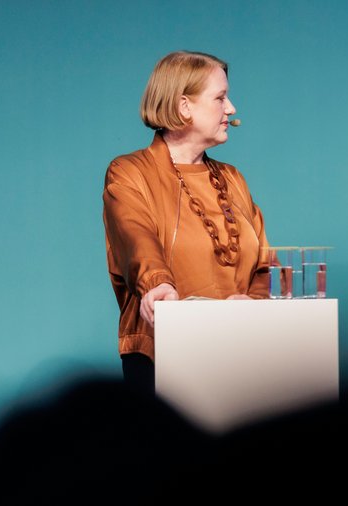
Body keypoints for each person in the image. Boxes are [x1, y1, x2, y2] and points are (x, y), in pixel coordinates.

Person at [102, 51, 269, 391]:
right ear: (183, 107)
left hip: (241, 354)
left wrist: (255, 303)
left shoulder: (233, 179)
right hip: (162, 356)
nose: (231, 108)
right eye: (220, 98)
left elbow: (265, 264)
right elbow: (136, 239)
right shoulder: (130, 173)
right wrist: (158, 284)